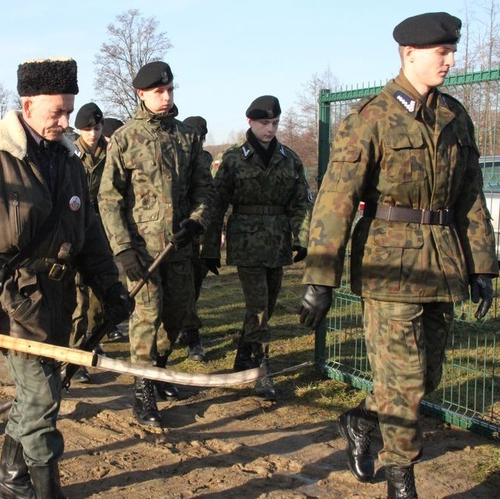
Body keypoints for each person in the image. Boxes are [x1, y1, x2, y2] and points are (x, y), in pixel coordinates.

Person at [297, 12, 497, 498]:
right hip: (389, 268)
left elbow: (470, 194)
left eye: (451, 51)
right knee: (404, 382)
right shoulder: (372, 117)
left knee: (424, 375)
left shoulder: (455, 115)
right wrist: (320, 277)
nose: (450, 61)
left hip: (443, 263)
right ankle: (401, 481)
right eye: (441, 52)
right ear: (410, 54)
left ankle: (364, 419)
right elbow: (336, 199)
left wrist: (482, 265)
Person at [0, 58, 131, 498]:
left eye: (69, 111)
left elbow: (90, 235)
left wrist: (110, 286)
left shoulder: (70, 162)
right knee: (43, 398)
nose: (65, 123)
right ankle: (45, 489)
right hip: (11, 301)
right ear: (27, 105)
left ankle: (11, 477)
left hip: (58, 300)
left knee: (38, 395)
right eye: (56, 113)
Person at [98, 61, 215, 427]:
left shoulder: (186, 137)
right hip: (142, 251)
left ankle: (159, 369)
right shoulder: (125, 138)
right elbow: (109, 198)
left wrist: (197, 221)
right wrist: (122, 249)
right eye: (158, 92)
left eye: (169, 90)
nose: (165, 97)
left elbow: (204, 188)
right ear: (142, 95)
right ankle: (143, 389)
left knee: (178, 312)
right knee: (146, 317)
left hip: (179, 247)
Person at [202, 96, 311, 400]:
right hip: (246, 242)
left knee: (268, 305)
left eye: (275, 123)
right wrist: (210, 248)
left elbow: (301, 201)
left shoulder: (289, 158)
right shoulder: (234, 159)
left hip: (277, 243)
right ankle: (263, 369)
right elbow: (216, 204)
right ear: (250, 122)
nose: (270, 129)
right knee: (259, 305)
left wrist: (301, 238)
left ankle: (243, 354)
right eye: (265, 123)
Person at [69, 102, 123, 383]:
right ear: (79, 129)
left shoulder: (113, 153)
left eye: (97, 128)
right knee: (78, 296)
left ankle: (92, 341)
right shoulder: (69, 153)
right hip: (77, 230)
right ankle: (76, 357)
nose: (92, 133)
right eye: (87, 128)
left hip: (105, 230)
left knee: (102, 294)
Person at [177, 115, 214, 362]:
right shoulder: (180, 157)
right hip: (181, 230)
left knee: (194, 286)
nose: (198, 141)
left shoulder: (206, 160)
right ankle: (192, 337)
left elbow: (210, 196)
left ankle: (185, 327)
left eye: (201, 137)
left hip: (200, 230)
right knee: (185, 289)